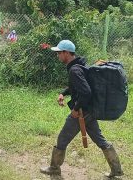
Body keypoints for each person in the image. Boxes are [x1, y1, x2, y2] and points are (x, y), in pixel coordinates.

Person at [40, 40, 123, 178]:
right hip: (90, 111)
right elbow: (77, 86)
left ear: (66, 53)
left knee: (62, 139)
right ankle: (117, 170)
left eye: (59, 53)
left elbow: (86, 92)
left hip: (82, 112)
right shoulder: (79, 65)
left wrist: (76, 109)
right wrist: (63, 93)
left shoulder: (74, 70)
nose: (58, 56)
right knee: (100, 140)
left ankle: (54, 168)